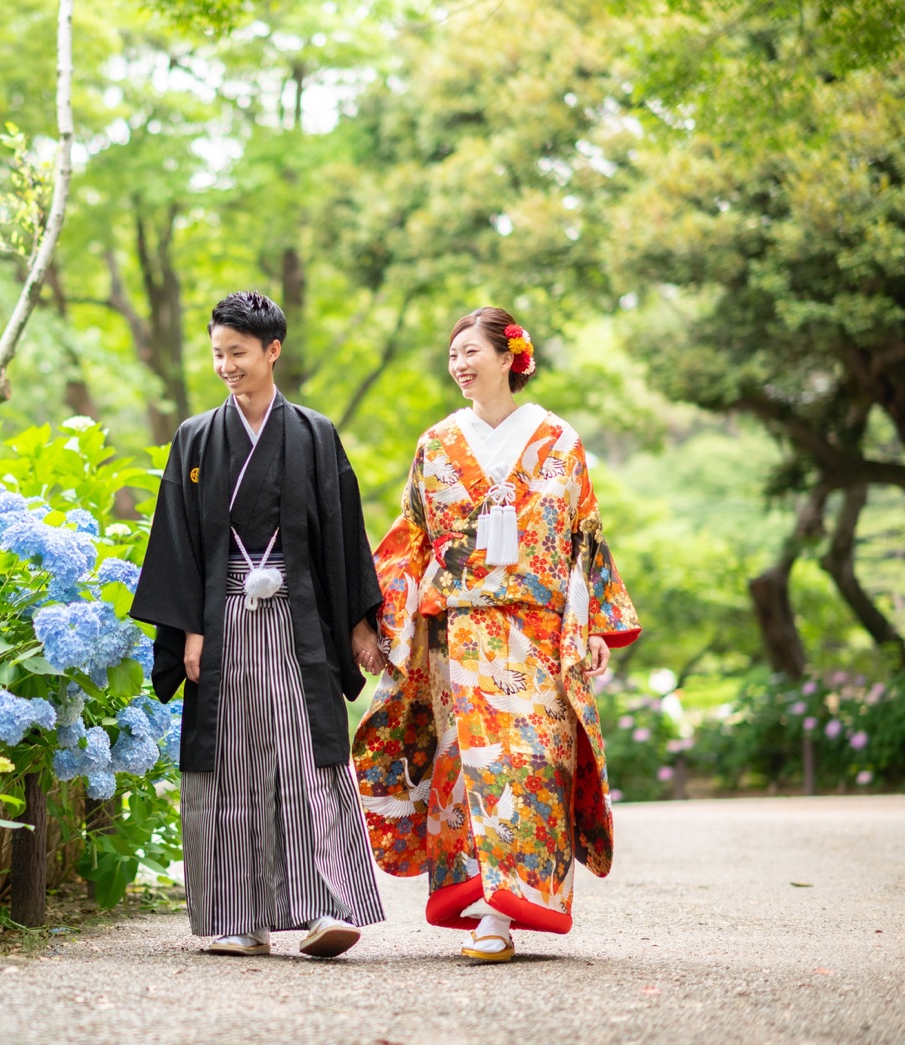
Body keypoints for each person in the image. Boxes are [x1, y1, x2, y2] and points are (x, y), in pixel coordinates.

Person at [352, 307, 640, 963]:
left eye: (469, 351)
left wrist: (593, 619)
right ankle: (490, 910)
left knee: (533, 760)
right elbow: (411, 538)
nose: (458, 364)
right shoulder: (436, 443)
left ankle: (518, 897)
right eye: (451, 354)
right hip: (459, 632)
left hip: (537, 628)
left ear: (509, 356)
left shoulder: (556, 438)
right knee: (471, 764)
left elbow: (583, 534)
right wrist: (372, 619)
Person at [132, 290, 387, 959]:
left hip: (299, 619)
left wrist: (359, 625)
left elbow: (342, 536)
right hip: (221, 619)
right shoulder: (193, 438)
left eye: (237, 353)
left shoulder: (312, 433)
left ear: (272, 350)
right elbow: (178, 541)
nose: (225, 365)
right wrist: (187, 627)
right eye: (217, 353)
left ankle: (321, 908)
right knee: (230, 761)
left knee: (305, 757)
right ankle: (236, 918)